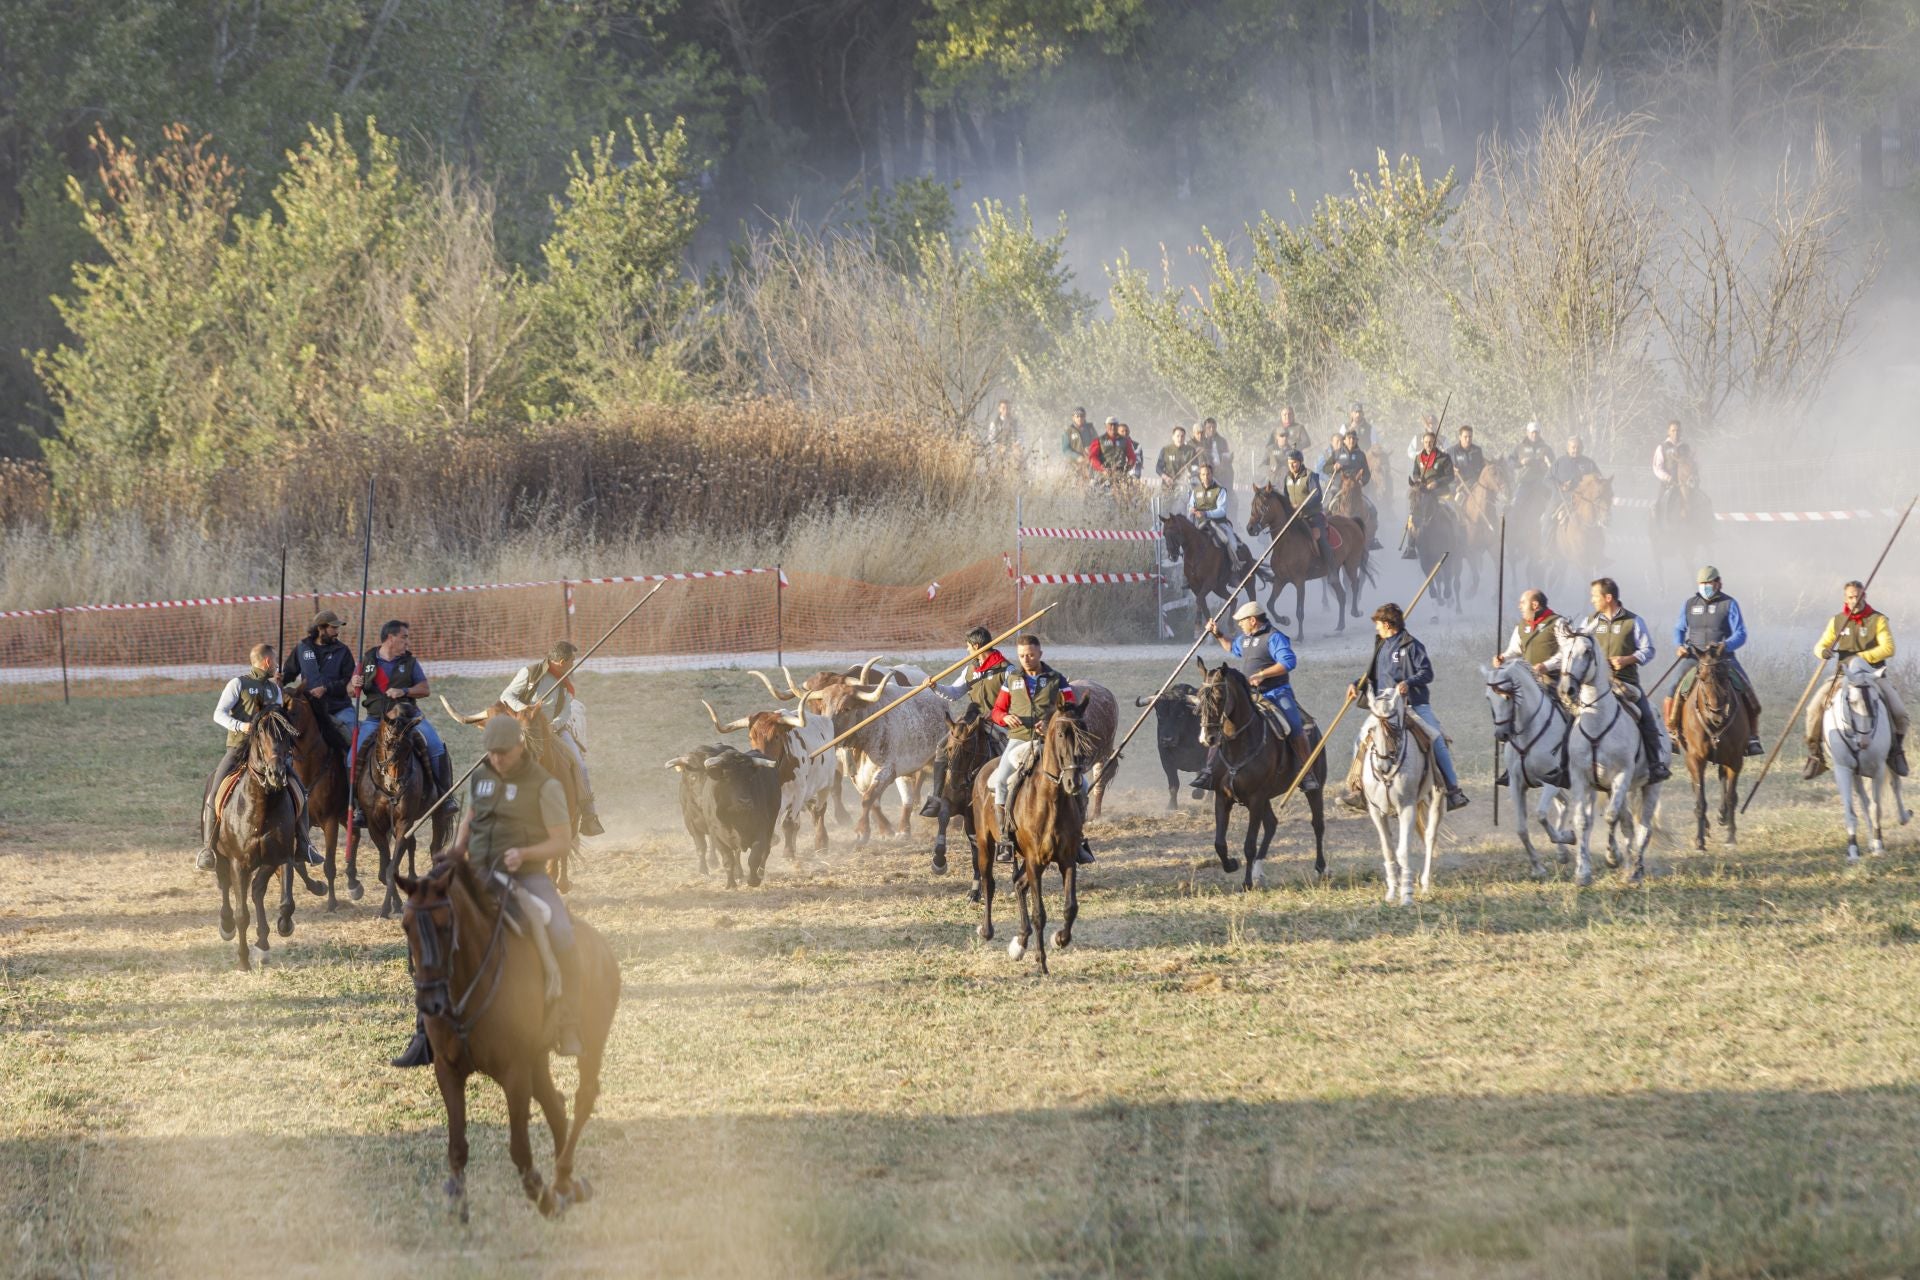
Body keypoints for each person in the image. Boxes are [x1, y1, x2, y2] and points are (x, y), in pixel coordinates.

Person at [392, 714, 582, 1069]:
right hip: (475, 869)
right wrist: (457, 850)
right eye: (491, 753)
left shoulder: (545, 786)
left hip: (525, 874)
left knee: (561, 930)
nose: (496, 760)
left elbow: (561, 842)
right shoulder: (481, 777)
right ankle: (423, 1033)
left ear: (520, 748)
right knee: (426, 918)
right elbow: (471, 818)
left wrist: (525, 854)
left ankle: (567, 1020)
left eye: (503, 754)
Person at [193, 643, 322, 872]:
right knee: (215, 791)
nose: (277, 665)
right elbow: (218, 714)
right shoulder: (238, 684)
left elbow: (280, 721)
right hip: (240, 749)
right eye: (275, 661)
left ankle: (304, 845)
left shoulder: (275, 690)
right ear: (267, 662)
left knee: (300, 791)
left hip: (271, 755)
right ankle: (208, 849)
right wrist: (240, 726)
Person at [1342, 603, 1469, 812]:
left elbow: (1427, 673)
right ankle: (1359, 791)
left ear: (1387, 624)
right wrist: (1356, 683)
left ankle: (1453, 790)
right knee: (1361, 740)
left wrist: (1408, 683)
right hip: (1385, 706)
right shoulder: (1381, 645)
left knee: (1436, 739)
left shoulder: (1412, 646)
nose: (1376, 628)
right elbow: (1373, 676)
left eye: (1378, 624)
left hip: (1413, 704)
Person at [1550, 578, 1672, 783]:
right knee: (1571, 720)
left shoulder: (1633, 621)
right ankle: (1564, 769)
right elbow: (1575, 647)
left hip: (1626, 682)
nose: (1592, 600)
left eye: (1595, 596)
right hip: (1594, 686)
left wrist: (1628, 659)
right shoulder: (1589, 622)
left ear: (1608, 598)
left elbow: (1648, 650)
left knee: (1647, 716)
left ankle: (1654, 764)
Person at [985, 636, 1092, 864]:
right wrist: (1005, 717)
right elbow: (997, 710)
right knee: (1001, 781)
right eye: (1022, 655)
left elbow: (1071, 711)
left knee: (1082, 784)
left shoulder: (1057, 680)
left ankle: (1079, 838)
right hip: (1019, 740)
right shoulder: (1012, 679)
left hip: (1050, 743)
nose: (1026, 659)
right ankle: (1005, 838)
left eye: (1031, 655)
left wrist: (1050, 722)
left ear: (1040, 654)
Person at [1193, 601, 1318, 793]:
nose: (1239, 625)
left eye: (1241, 621)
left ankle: (1307, 773)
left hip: (1276, 693)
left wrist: (1262, 675)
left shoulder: (1274, 637)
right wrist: (1217, 633)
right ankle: (1209, 769)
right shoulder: (1245, 639)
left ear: (1252, 620)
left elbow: (1288, 662)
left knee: (1294, 726)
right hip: (1249, 694)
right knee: (1222, 720)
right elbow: (1232, 648)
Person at [349, 619, 453, 820]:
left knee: (435, 746)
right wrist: (354, 683)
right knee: (350, 757)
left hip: (408, 718)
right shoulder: (367, 660)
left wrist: (404, 690)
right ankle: (357, 805)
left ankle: (445, 798)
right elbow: (351, 691)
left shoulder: (410, 663)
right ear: (391, 638)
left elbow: (425, 689)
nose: (408, 642)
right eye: (404, 637)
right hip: (375, 720)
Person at [1805, 580, 1910, 779]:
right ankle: (1815, 755)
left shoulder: (1878, 620)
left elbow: (1888, 648)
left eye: (1859, 596)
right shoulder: (1837, 621)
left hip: (1874, 676)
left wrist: (1860, 658)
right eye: (1851, 597)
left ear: (1864, 596)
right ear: (1846, 599)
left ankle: (1896, 752)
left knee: (1900, 713)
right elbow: (1820, 646)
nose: (1855, 601)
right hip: (1843, 676)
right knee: (1812, 710)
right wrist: (1823, 652)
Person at [500, 639, 605, 836]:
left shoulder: (565, 682)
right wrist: (525, 710)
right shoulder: (530, 673)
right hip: (525, 727)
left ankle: (589, 815)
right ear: (561, 661)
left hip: (555, 730)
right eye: (572, 660)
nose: (574, 664)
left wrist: (552, 726)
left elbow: (565, 713)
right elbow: (507, 695)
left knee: (580, 765)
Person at [1664, 566, 1763, 757]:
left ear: (1718, 583)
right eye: (1702, 583)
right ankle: (1672, 733)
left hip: (1722, 659)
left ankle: (1752, 737)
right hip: (1694, 657)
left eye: (1708, 583)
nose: (1705, 587)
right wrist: (1679, 645)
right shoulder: (1690, 604)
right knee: (1673, 689)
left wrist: (1726, 645)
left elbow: (1741, 633)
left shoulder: (1729, 604)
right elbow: (1678, 629)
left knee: (1747, 690)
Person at [921, 625, 1011, 819]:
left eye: (968, 646)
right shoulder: (970, 669)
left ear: (976, 645)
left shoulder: (1007, 670)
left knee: (1007, 755)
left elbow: (1016, 698)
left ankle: (1007, 802)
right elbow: (954, 694)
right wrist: (935, 687)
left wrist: (997, 713)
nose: (967, 650)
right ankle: (937, 797)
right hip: (973, 720)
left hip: (999, 723)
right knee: (942, 746)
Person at [1492, 589, 1569, 787]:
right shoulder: (1522, 626)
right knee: (1508, 713)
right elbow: (1514, 650)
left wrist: (1547, 665)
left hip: (1554, 680)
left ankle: (1568, 762)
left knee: (1571, 713)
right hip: (1528, 682)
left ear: (1535, 605)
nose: (1519, 606)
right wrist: (1503, 657)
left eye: (1522, 602)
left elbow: (1567, 652)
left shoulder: (1558, 623)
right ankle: (1512, 765)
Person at [286, 609, 357, 744]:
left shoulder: (343, 651)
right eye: (333, 628)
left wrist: (326, 689)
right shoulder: (302, 647)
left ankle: (351, 765)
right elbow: (289, 672)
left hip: (339, 708)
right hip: (310, 708)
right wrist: (279, 679)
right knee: (286, 738)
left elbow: (349, 680)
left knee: (355, 736)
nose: (337, 632)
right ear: (321, 628)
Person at [1189, 461, 1253, 577]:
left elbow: (1221, 511)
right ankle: (1190, 574)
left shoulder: (1220, 490)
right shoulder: (1195, 491)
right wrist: (1191, 511)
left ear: (1212, 474)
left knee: (1230, 542)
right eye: (1203, 474)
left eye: (1208, 474)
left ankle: (1234, 568)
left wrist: (1205, 513)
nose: (1206, 477)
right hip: (1200, 525)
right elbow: (1190, 506)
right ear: (1200, 476)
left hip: (1219, 524)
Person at [1321, 427, 1382, 550]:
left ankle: (1371, 539)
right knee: (1325, 508)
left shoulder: (1360, 455)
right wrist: (1334, 467)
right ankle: (1324, 535)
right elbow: (1325, 468)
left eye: (1354, 438)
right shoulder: (1337, 453)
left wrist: (1362, 481)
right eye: (1349, 438)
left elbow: (1367, 473)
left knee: (1372, 510)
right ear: (1344, 440)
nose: (1351, 440)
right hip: (1339, 487)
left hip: (1355, 488)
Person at [1279, 449, 1335, 575]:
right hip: (1295, 518)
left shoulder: (1310, 476)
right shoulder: (1287, 478)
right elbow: (1285, 496)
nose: (1292, 465)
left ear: (1300, 462)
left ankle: (1332, 571)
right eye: (1289, 463)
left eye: (1294, 462)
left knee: (1321, 540)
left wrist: (1301, 506)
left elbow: (1317, 495)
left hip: (1312, 516)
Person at [1402, 427, 1455, 558]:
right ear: (1423, 443)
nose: (1428, 445)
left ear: (1435, 442)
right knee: (1412, 514)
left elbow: (1450, 476)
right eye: (1426, 442)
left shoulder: (1444, 458)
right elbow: (1415, 472)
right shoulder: (1419, 458)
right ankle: (1411, 546)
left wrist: (1437, 483)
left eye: (1431, 442)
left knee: (1452, 511)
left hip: (1440, 491)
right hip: (1423, 491)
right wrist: (1417, 479)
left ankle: (1455, 538)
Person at [1449, 425, 1486, 489]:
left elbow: (1482, 468)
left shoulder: (1477, 450)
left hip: (1475, 483)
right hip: (1458, 485)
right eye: (1465, 437)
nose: (1468, 439)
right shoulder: (1452, 451)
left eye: (1470, 437)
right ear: (1460, 437)